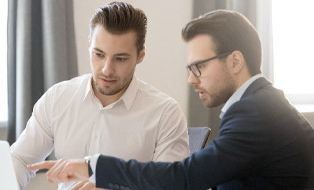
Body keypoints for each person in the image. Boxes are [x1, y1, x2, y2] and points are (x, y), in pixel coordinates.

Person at [29, 9, 314, 190]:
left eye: (199, 67)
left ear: (236, 61)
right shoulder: (260, 104)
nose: (191, 79)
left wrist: (93, 166)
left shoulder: (257, 112)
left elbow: (185, 177)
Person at [11, 2, 190, 189]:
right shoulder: (58, 98)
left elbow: (171, 186)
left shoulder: (166, 114)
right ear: (89, 46)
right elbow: (21, 160)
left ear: (140, 55)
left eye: (120, 58)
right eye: (99, 54)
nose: (107, 69)